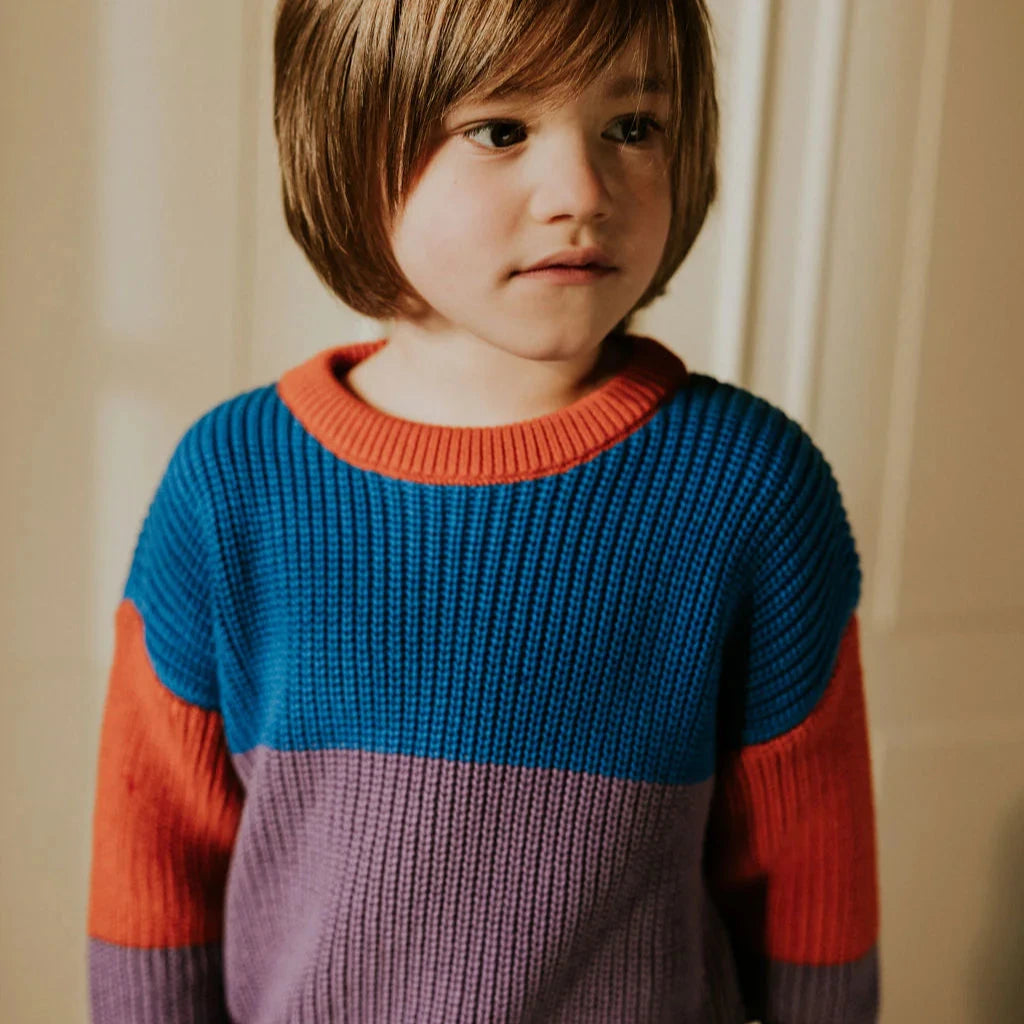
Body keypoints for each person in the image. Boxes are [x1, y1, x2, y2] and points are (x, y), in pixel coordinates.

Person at [86, 0, 880, 1020]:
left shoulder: (751, 486)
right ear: (349, 144)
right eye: (500, 130)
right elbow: (154, 871)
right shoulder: (231, 483)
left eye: (630, 127)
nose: (581, 192)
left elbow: (815, 881)